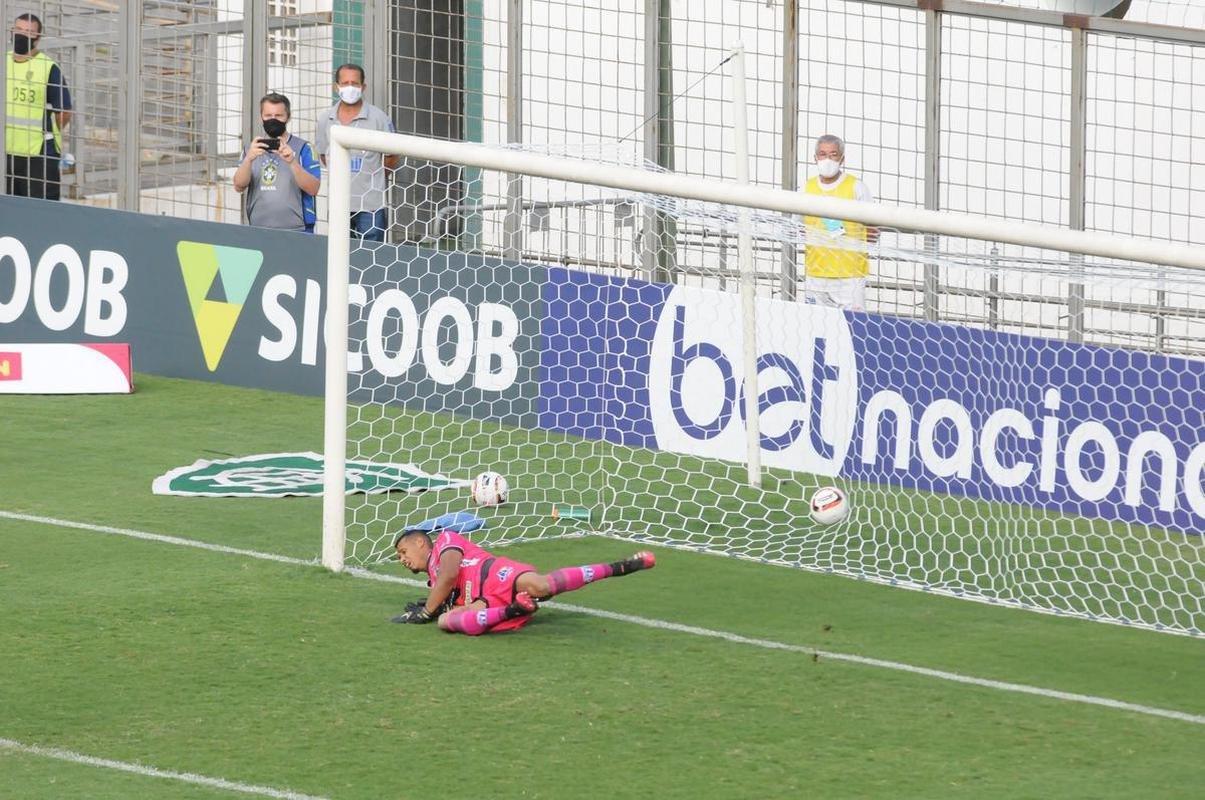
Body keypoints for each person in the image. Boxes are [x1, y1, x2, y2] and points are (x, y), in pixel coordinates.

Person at [391, 528, 657, 635]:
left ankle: (620, 566)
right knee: (445, 622)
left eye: (403, 551)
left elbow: (450, 575)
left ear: (420, 542)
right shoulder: (433, 584)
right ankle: (515, 609)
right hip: (486, 603)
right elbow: (447, 593)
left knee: (541, 587)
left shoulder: (445, 542)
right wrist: (437, 609)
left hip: (494, 574)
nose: (402, 559)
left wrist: (427, 610)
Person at [314, 63, 399, 242]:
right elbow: (323, 155)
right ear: (336, 86)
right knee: (340, 257)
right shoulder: (325, 119)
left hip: (370, 206)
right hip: (338, 205)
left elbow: (392, 157)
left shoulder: (379, 119)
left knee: (371, 256)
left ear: (363, 86)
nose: (349, 87)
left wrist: (372, 177)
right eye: (345, 83)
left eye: (355, 83)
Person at [802, 134, 878, 311]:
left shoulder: (856, 187)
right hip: (816, 274)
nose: (827, 159)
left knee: (854, 328)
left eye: (833, 154)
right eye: (822, 154)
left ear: (842, 159)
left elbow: (873, 230)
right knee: (817, 326)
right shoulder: (807, 188)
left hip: (849, 275)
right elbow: (799, 227)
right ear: (815, 158)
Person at [6, 13, 72, 200]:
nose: (22, 35)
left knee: (41, 212)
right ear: (11, 31)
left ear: (38, 38)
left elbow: (64, 111)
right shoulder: (4, 62)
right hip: (6, 151)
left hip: (40, 154)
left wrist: (47, 132)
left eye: (29, 32)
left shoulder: (48, 67)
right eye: (18, 30)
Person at [233, 92, 321, 233]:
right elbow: (238, 186)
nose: (273, 120)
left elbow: (313, 188)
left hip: (298, 230)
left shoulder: (304, 148)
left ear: (288, 117)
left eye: (278, 116)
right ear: (261, 116)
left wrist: (292, 162)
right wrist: (248, 159)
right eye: (268, 116)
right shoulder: (250, 149)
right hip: (257, 229)